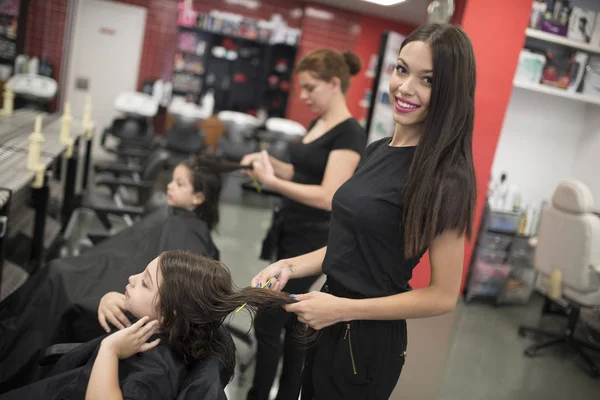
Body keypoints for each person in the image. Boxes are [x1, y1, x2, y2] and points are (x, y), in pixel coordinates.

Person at [251, 23, 477, 399]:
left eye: (428, 80)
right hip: (328, 313)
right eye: (402, 69)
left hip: (365, 339)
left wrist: (343, 311)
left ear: (450, 92)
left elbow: (442, 296)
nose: (405, 88)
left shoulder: (445, 177)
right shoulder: (376, 150)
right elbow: (349, 248)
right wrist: (290, 266)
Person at [0, 155, 222, 393]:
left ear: (198, 197)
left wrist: (113, 299)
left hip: (119, 309)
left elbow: (162, 301)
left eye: (179, 184)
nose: (169, 186)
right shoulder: (177, 224)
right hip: (112, 282)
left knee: (56, 282)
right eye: (172, 180)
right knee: (56, 272)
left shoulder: (189, 242)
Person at [240, 48, 367, 400]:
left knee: (268, 323)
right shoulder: (319, 122)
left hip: (313, 239)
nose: (304, 96)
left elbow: (329, 194)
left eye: (311, 88)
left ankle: (259, 394)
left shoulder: (350, 134)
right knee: (296, 326)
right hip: (290, 231)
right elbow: (303, 172)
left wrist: (273, 183)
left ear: (334, 84)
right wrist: (267, 164)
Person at [0, 251, 297, 400]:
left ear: (168, 314)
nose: (130, 278)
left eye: (143, 282)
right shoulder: (185, 332)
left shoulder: (152, 374)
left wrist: (109, 351)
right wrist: (117, 299)